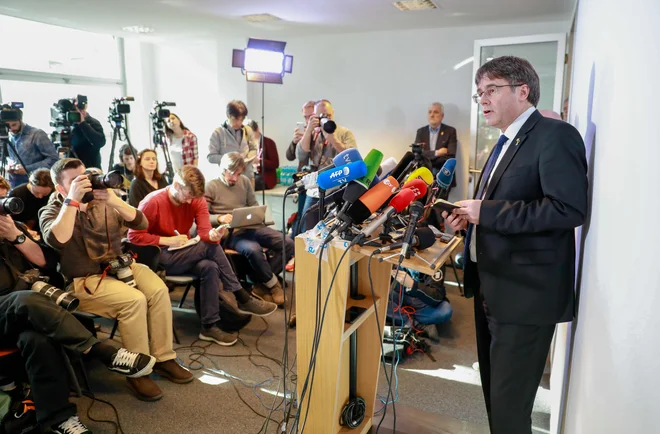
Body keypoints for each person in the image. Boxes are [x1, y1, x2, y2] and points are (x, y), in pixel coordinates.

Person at [444, 55, 587, 434]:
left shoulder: (555, 135)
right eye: (480, 93)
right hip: (492, 286)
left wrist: (485, 213)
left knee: (510, 409)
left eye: (491, 89)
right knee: (497, 398)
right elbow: (501, 206)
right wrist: (466, 220)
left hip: (526, 296)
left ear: (523, 91)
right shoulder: (505, 141)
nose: (483, 99)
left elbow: (566, 209)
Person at [39, 158, 193, 402]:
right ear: (60, 188)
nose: (84, 184)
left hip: (119, 266)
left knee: (158, 290)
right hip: (83, 280)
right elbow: (57, 239)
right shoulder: (54, 209)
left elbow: (141, 222)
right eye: (74, 181)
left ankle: (164, 358)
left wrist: (113, 200)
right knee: (134, 300)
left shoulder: (103, 200)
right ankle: (137, 372)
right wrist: (72, 201)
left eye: (84, 177)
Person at [0, 213, 155, 434]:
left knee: (37, 339)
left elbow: (49, 262)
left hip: (24, 313)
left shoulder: (11, 228)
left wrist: (16, 237)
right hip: (14, 306)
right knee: (25, 298)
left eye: (5, 206)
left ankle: (59, 418)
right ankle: (100, 350)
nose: (3, 212)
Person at [128, 165, 277, 347]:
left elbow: (205, 231)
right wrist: (166, 240)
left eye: (194, 197)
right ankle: (242, 296)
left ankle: (209, 326)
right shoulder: (152, 202)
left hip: (185, 253)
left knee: (209, 266)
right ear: (176, 185)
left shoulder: (196, 199)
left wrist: (213, 235)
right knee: (208, 248)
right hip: (159, 257)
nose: (191, 201)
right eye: (188, 195)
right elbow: (133, 236)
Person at [206, 153, 293, 305]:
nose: (234, 178)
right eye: (231, 173)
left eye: (238, 174)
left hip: (251, 226)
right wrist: (219, 218)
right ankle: (273, 285)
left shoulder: (244, 182)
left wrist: (257, 216)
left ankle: (261, 283)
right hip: (231, 233)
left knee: (288, 243)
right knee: (253, 249)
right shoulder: (211, 186)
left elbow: (253, 204)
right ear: (222, 169)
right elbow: (202, 216)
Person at [296, 99, 357, 232]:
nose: (325, 119)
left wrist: (333, 140)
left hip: (338, 189)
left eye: (328, 116)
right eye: (321, 116)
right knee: (308, 229)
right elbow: (301, 156)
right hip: (315, 189)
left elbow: (353, 160)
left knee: (332, 230)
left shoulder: (344, 133)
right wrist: (308, 131)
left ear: (333, 113)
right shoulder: (313, 134)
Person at [2, 107, 58, 187]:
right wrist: (8, 166)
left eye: (14, 125)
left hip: (37, 184)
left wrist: (27, 168)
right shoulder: (7, 136)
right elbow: (6, 158)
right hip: (15, 184)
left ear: (20, 120)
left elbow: (53, 159)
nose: (11, 129)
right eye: (8, 126)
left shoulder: (37, 134)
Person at [208, 100, 258, 183]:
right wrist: (230, 159)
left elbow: (254, 149)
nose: (239, 123)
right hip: (228, 179)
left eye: (241, 120)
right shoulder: (218, 133)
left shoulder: (248, 130)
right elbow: (211, 157)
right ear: (228, 115)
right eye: (236, 119)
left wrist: (245, 158)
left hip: (247, 177)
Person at [285, 101, 315, 239]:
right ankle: (296, 252)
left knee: (310, 220)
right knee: (301, 216)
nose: (308, 120)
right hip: (303, 181)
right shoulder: (305, 133)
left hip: (317, 182)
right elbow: (290, 156)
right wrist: (295, 142)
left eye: (311, 116)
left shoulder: (322, 133)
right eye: (305, 117)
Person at [414, 102, 458, 185]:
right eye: (430, 112)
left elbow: (451, 156)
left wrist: (426, 157)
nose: (432, 115)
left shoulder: (450, 131)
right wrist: (437, 153)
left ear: (442, 116)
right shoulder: (421, 132)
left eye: (436, 112)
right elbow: (417, 155)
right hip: (423, 177)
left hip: (443, 177)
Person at [70, 99, 106, 169]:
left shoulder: (93, 123)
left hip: (91, 168)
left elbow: (100, 142)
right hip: (70, 169)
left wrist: (82, 123)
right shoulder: (66, 124)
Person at [247, 120, 279, 190]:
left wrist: (259, 161)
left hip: (264, 177)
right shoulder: (246, 144)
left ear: (257, 129)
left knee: (247, 186)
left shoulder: (269, 142)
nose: (250, 137)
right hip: (250, 174)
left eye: (251, 133)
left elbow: (275, 164)